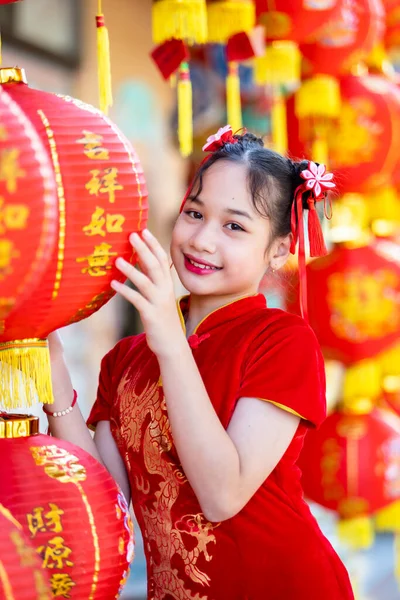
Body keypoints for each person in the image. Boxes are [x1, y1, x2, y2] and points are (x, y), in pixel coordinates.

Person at [46, 127, 354, 600]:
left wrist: (170, 339)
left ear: (278, 248)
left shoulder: (283, 342)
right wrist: (52, 357)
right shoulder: (127, 357)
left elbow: (222, 495)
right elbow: (105, 496)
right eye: (194, 213)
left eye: (234, 226)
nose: (202, 240)